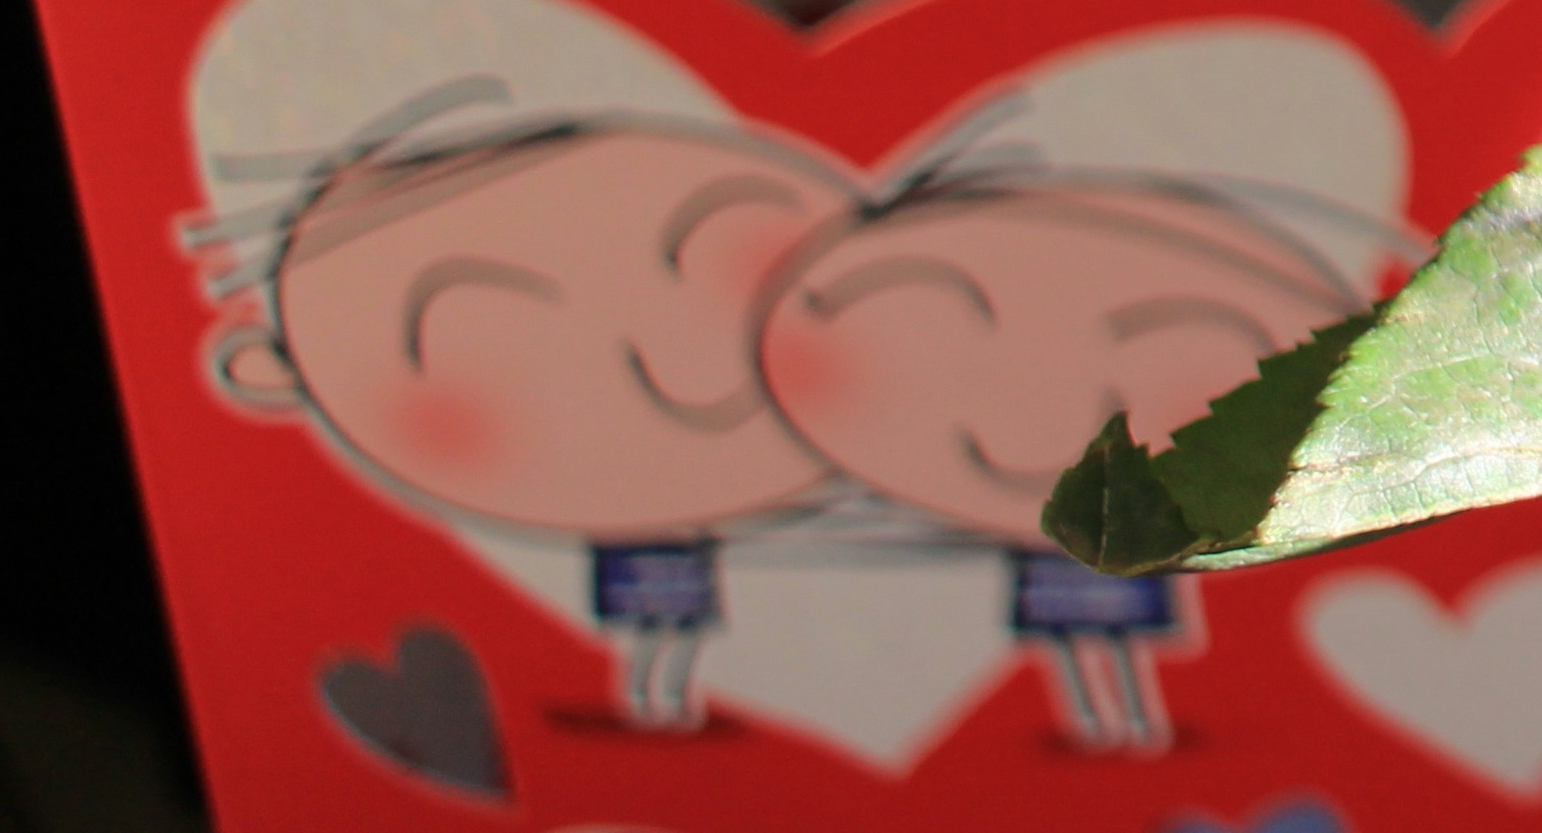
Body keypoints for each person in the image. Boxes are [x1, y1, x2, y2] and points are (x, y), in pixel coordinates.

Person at [214, 110, 855, 730]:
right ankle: (647, 692)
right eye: (473, 329)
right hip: (636, 548)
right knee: (645, 628)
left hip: (679, 547)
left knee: (681, 626)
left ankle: (665, 695)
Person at [754, 176, 1365, 751]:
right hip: (1070, 552)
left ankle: (1124, 716)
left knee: (1114, 634)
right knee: (1079, 640)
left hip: (1118, 547)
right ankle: (1105, 718)